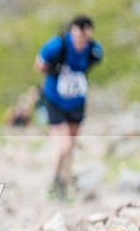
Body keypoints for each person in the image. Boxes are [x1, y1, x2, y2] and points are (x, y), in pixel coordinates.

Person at [34, 15, 102, 200]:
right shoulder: (58, 45)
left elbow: (94, 62)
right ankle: (54, 181)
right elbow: (39, 64)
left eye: (84, 38)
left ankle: (64, 184)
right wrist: (53, 70)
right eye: (78, 37)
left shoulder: (93, 50)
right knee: (62, 145)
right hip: (55, 100)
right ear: (72, 32)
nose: (81, 42)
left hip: (77, 102)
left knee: (71, 145)